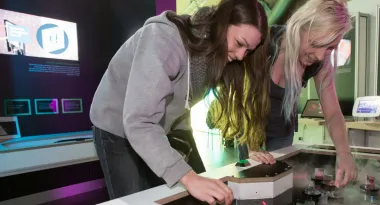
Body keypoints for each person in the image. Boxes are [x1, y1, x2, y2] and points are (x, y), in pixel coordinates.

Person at [89, 0, 270, 204]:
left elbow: (190, 105)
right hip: (117, 126)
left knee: (193, 189)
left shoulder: (217, 55)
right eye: (239, 43)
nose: (240, 56)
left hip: (160, 124)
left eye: (248, 51)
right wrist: (188, 177)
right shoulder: (164, 40)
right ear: (221, 24)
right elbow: (139, 120)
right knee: (133, 199)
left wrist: (247, 150)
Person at [209, 0, 357, 188]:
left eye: (330, 47)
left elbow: (333, 113)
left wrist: (344, 153)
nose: (320, 56)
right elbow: (236, 97)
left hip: (282, 137)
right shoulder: (263, 42)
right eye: (316, 43)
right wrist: (250, 146)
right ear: (300, 27)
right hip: (244, 133)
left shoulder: (321, 62)